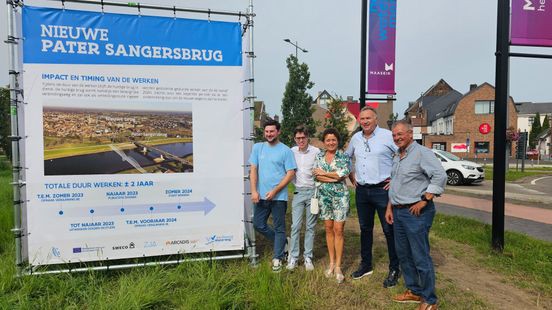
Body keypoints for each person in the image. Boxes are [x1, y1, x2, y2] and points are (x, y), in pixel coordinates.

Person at [385, 120, 447, 310]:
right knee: (403, 254)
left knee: (420, 256)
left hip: (416, 212)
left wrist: (425, 199)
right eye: (394, 135)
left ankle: (429, 299)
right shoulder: (397, 155)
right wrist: (389, 207)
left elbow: (440, 176)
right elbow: (395, 183)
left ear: (411, 134)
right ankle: (413, 290)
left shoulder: (422, 153)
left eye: (400, 134)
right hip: (398, 211)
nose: (397, 138)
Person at [345, 106, 401, 287]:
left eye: (369, 118)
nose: (365, 121)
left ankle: (395, 268)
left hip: (382, 190)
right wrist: (351, 175)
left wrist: (395, 179)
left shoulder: (386, 135)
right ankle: (366, 264)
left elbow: (402, 154)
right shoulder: (356, 138)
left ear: (376, 119)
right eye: (362, 119)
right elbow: (346, 158)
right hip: (362, 191)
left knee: (388, 230)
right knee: (365, 229)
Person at [249, 119, 297, 272]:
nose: (269, 134)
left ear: (278, 132)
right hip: (261, 196)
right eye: (267, 131)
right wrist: (254, 191)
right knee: (258, 224)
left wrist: (275, 190)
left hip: (279, 197)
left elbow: (290, 174)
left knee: (279, 228)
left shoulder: (286, 151)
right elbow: (253, 170)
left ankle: (278, 258)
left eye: (272, 131)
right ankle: (283, 243)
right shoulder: (258, 148)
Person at [313, 128, 350, 283]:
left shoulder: (343, 156)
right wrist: (334, 176)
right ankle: (331, 262)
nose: (331, 142)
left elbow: (343, 174)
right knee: (328, 229)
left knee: (338, 230)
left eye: (333, 140)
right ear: (324, 141)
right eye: (328, 140)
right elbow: (316, 175)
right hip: (324, 197)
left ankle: (338, 267)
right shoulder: (319, 156)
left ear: (337, 141)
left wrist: (326, 174)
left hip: (340, 197)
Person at [287, 126, 321, 271]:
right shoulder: (291, 152)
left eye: (303, 137)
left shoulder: (316, 152)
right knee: (295, 226)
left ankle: (308, 257)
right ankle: (293, 257)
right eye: (298, 138)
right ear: (295, 139)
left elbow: (320, 169)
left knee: (310, 226)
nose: (301, 140)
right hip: (299, 192)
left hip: (313, 192)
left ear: (308, 138)